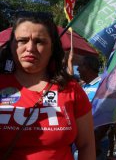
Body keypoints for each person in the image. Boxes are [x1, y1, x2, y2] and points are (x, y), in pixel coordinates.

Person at [0, 11, 95, 160]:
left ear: (52, 48)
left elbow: (86, 145)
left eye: (39, 41)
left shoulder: (71, 88)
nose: (30, 48)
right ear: (11, 45)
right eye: (22, 40)